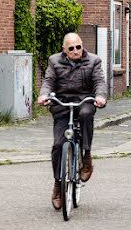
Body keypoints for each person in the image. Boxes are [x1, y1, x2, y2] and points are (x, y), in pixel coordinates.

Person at [37, 32, 107, 210]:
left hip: (85, 101)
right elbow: (49, 80)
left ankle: (87, 156)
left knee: (85, 115)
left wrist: (99, 96)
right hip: (62, 103)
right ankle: (58, 185)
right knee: (58, 145)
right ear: (64, 50)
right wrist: (44, 95)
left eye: (78, 47)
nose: (76, 51)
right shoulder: (54, 61)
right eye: (71, 48)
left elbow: (99, 81)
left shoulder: (94, 60)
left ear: (82, 45)